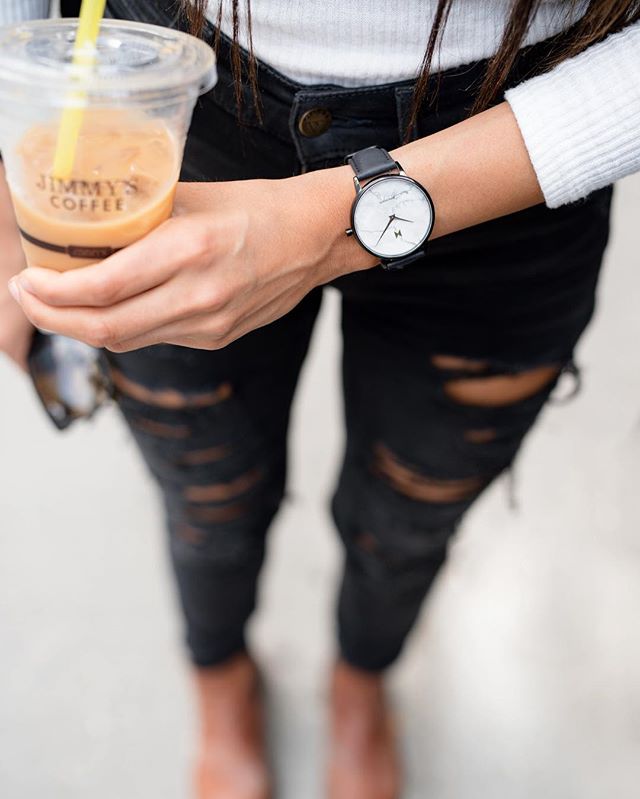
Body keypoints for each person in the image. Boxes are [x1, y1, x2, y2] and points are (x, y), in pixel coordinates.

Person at [2, 1, 640, 798]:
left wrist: (334, 224)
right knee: (207, 489)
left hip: (521, 143)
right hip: (174, 95)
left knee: (412, 509)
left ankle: (360, 683)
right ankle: (221, 676)